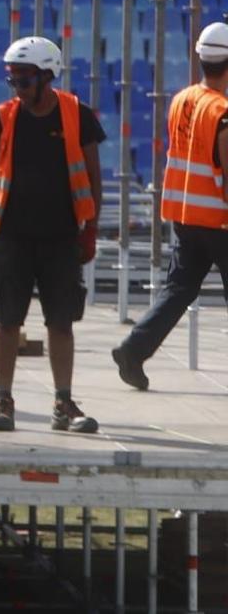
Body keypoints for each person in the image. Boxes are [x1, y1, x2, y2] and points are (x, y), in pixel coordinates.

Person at [0, 36, 102, 433]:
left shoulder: (76, 115)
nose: (17, 89)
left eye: (24, 81)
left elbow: (94, 176)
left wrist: (90, 229)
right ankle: (3, 400)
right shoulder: (4, 117)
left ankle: (63, 403)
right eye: (12, 80)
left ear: (48, 77)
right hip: (11, 236)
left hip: (61, 238)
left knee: (60, 323)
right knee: (7, 322)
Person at [111, 21, 228, 392]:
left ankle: (134, 348)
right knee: (181, 288)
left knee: (179, 289)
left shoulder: (183, 99)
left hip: (183, 214)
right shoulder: (222, 111)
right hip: (218, 220)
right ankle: (133, 349)